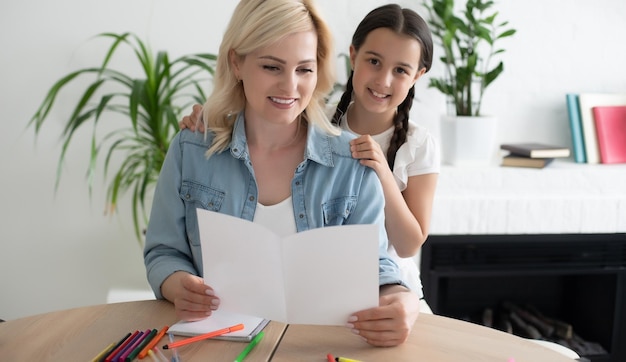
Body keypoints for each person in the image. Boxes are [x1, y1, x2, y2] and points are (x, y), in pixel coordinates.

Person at [144, 0, 419, 348]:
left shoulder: (353, 162)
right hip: (216, 347)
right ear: (237, 62)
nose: (290, 87)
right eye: (272, 67)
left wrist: (403, 300)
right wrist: (175, 283)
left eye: (304, 69)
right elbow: (162, 252)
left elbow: (376, 267)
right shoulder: (191, 150)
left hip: (318, 348)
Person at [180, 4, 439, 299]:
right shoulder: (316, 121)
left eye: (400, 70)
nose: (383, 80)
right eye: (374, 62)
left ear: (418, 75)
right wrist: (208, 118)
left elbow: (408, 245)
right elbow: (263, 114)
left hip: (390, 286)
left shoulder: (418, 144)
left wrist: (381, 170)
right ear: (353, 56)